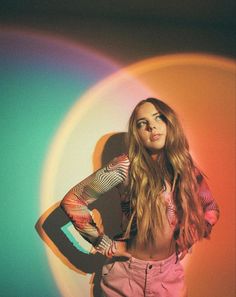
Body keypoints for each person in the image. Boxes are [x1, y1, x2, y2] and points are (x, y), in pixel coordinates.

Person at [60, 98, 219, 297]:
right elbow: (73, 201)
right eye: (142, 123)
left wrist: (189, 238)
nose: (151, 126)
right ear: (137, 134)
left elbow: (211, 208)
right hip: (125, 276)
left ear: (169, 123)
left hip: (168, 277)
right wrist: (104, 244)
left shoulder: (186, 168)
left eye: (158, 118)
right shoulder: (124, 166)